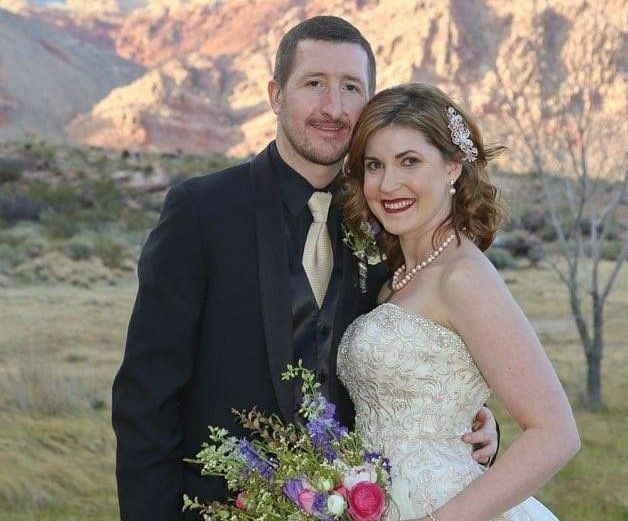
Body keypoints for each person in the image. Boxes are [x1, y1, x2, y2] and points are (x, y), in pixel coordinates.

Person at [111, 17, 498, 520]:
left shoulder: (388, 218)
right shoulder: (202, 210)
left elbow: (426, 358)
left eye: (351, 88)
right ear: (276, 95)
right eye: (314, 84)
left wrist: (471, 428)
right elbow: (146, 396)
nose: (333, 107)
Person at [338, 83, 580, 521]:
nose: (388, 183)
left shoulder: (463, 276)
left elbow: (556, 433)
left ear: (452, 166)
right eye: (374, 165)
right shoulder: (394, 276)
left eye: (409, 161)